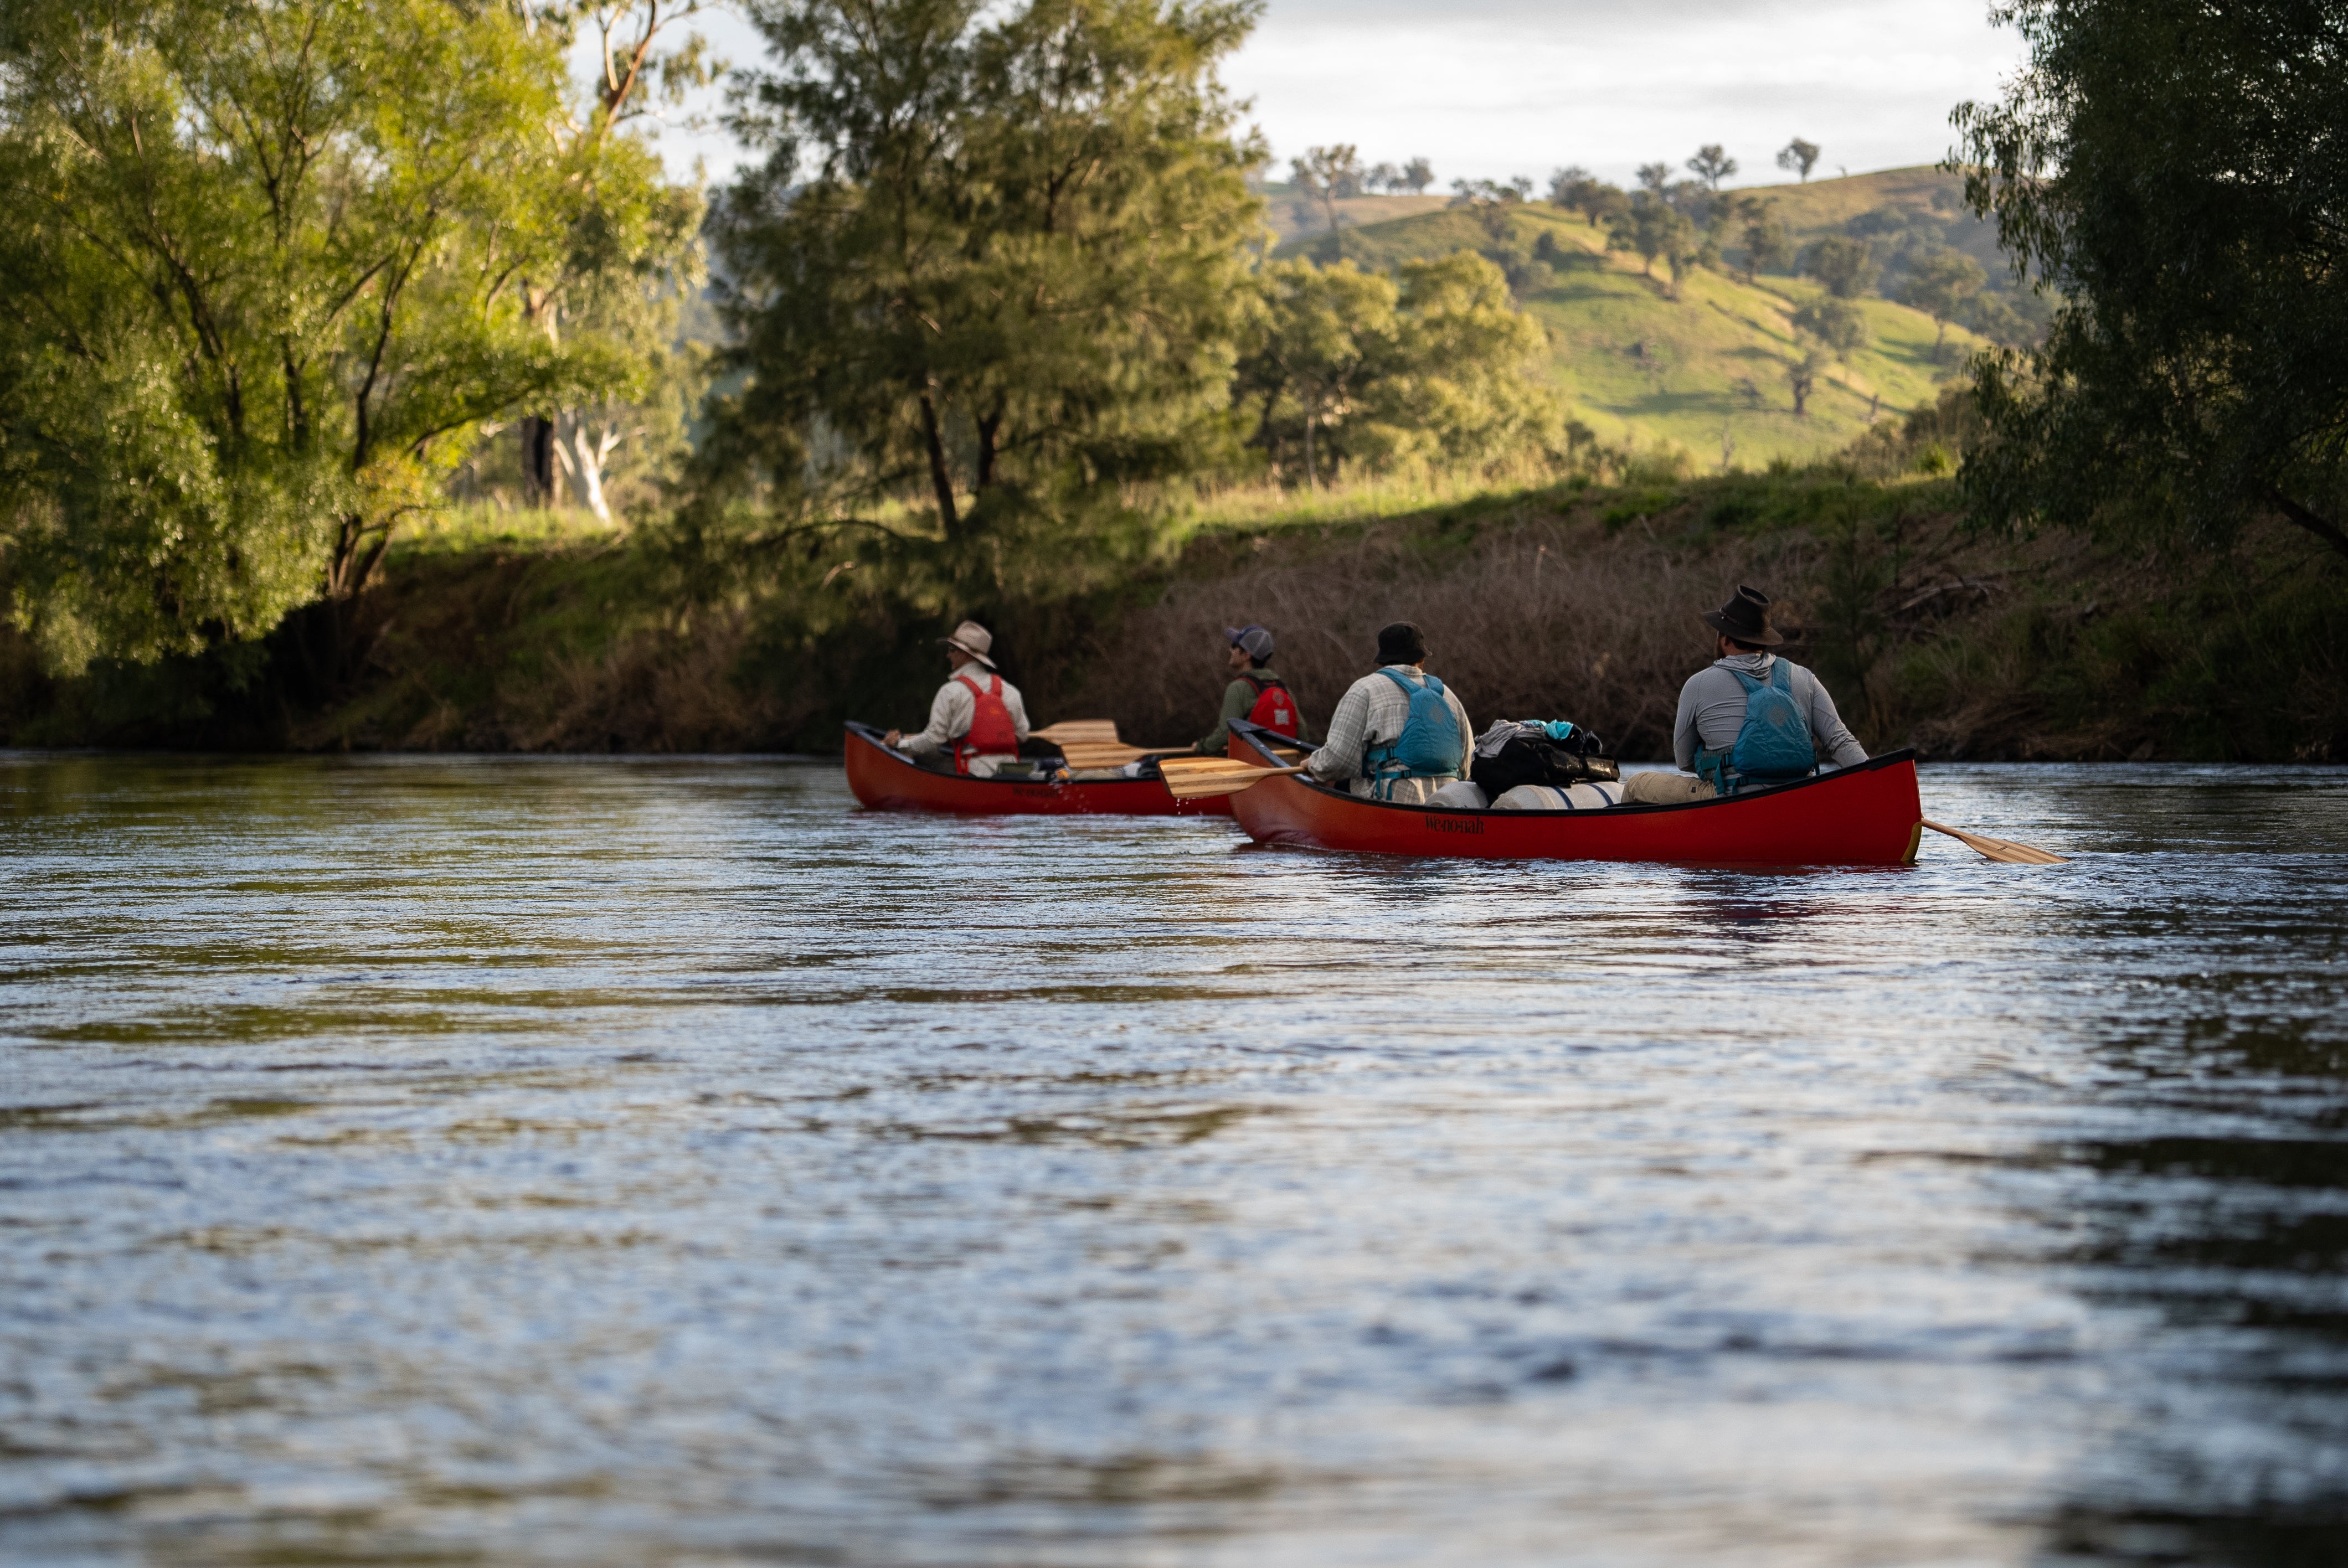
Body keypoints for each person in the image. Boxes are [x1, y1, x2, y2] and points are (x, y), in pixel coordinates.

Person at [1621, 584, 1866, 804]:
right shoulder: (1805, 678)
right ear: (1763, 639)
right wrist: (1876, 783)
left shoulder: (1697, 684)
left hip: (1731, 798)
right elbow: (1841, 742)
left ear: (1725, 638)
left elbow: (1684, 759)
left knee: (1635, 784)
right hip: (1799, 794)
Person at [1305, 621, 1475, 804]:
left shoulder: (1364, 690)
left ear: (1381, 661)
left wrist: (1312, 765)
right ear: (1421, 660)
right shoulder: (1447, 695)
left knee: (1328, 778)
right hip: (1447, 802)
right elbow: (1468, 766)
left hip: (1391, 802)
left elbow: (1337, 762)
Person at [884, 620, 1032, 776]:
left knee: (917, 753)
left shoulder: (950, 692)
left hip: (971, 773)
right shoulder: (1010, 692)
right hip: (1010, 774)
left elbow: (932, 740)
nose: (948, 655)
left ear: (966, 655)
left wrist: (899, 744)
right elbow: (1022, 735)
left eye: (952, 649)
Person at [1194, 624, 1301, 755]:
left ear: (1246, 655)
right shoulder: (1283, 689)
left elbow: (1224, 733)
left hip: (1253, 764)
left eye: (1234, 646)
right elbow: (1302, 734)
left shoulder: (1238, 688)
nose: (1230, 650)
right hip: (1283, 764)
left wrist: (1201, 747)